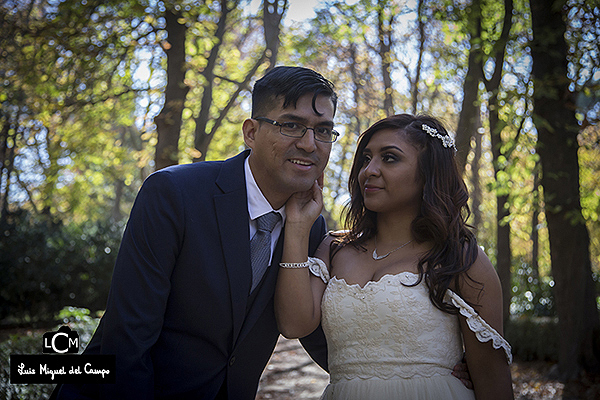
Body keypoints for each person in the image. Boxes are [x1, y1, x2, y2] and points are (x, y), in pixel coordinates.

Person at [52, 66, 338, 400]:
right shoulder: (174, 194)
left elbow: (312, 327)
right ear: (250, 132)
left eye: (323, 130)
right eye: (292, 125)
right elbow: (128, 337)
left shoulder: (310, 224)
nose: (309, 144)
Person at [275, 114, 514, 399]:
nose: (369, 170)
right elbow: (294, 324)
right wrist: (298, 227)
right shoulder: (334, 248)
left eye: (389, 158)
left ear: (428, 173)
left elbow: (493, 380)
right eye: (366, 158)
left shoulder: (458, 256)